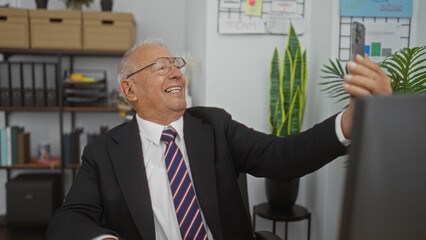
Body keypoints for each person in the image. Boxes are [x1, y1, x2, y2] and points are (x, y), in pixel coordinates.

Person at [46, 38, 392, 240]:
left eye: (176, 64)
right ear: (129, 89)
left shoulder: (214, 125)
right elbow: (66, 220)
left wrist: (349, 121)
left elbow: (285, 156)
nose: (176, 72)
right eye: (160, 66)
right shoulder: (103, 153)